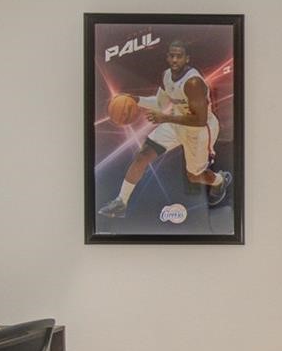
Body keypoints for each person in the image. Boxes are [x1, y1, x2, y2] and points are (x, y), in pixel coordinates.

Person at [99, 39, 231, 217]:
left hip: (199, 130)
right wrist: (135, 99)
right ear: (168, 57)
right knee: (142, 156)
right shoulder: (166, 76)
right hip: (175, 123)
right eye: (172, 56)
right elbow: (160, 104)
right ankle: (121, 202)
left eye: (179, 56)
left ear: (186, 59)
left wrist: (165, 118)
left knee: (194, 176)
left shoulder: (193, 83)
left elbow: (199, 120)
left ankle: (220, 180)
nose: (175, 60)